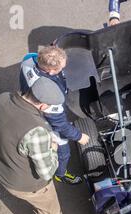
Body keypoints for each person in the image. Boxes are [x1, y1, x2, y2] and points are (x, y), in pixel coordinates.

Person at [0, 77, 81, 214]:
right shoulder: (37, 131)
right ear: (43, 105)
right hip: (23, 184)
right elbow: (47, 172)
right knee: (51, 211)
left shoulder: (2, 98)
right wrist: (53, 147)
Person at [20, 46, 89, 185]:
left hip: (26, 98)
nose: (63, 69)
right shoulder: (50, 101)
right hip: (45, 118)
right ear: (51, 72)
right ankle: (60, 174)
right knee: (64, 150)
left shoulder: (28, 60)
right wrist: (79, 136)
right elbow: (61, 125)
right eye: (61, 68)